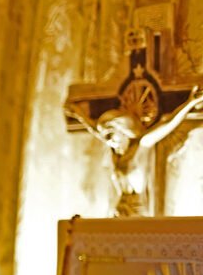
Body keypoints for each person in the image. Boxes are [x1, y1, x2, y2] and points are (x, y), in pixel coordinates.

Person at [64, 86, 203, 216]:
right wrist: (78, 114)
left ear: (123, 130)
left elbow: (169, 124)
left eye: (110, 135)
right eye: (105, 137)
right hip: (118, 211)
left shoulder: (142, 144)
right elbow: (95, 129)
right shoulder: (116, 152)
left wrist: (190, 102)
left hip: (139, 212)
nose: (108, 141)